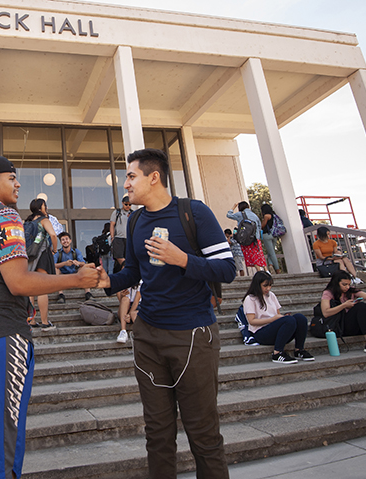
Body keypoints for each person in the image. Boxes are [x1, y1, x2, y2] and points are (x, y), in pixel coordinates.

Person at [0, 155, 99, 479]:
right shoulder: (2, 215)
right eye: (11, 178)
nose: (17, 184)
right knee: (0, 452)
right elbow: (18, 282)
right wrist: (76, 279)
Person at [98, 148, 235, 478]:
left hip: (192, 336)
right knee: (157, 435)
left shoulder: (194, 213)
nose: (125, 184)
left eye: (131, 176)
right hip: (147, 335)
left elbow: (227, 269)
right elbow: (132, 272)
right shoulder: (135, 221)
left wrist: (182, 259)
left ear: (153, 177)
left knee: (203, 435)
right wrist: (107, 281)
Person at [243, 271, 313, 364]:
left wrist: (281, 318)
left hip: (274, 328)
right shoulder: (250, 298)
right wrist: (273, 319)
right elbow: (251, 321)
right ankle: (277, 353)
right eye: (265, 285)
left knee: (300, 318)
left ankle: (299, 350)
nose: (268, 288)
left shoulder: (271, 295)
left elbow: (278, 314)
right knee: (289, 320)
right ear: (257, 284)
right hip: (261, 332)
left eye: (270, 285)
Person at [25, 198, 58, 331]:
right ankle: (45, 322)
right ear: (40, 208)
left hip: (30, 255)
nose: (46, 208)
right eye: (45, 206)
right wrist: (54, 250)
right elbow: (53, 235)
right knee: (43, 288)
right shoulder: (44, 220)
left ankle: (31, 320)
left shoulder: (27, 222)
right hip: (43, 254)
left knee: (32, 289)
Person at [320, 270, 366, 353]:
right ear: (336, 283)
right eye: (344, 284)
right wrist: (344, 305)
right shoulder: (328, 293)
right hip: (340, 326)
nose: (347, 287)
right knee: (360, 306)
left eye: (349, 284)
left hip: (356, 325)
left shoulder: (351, 290)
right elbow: (326, 312)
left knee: (365, 305)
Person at [227, 201, 266, 272]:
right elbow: (259, 226)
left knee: (251, 254)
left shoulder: (240, 214)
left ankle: (259, 271)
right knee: (259, 254)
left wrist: (233, 207)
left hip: (246, 238)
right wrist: (258, 236)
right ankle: (266, 270)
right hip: (256, 238)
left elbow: (228, 215)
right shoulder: (254, 215)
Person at [54, 232, 92, 303]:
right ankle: (61, 295)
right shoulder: (58, 253)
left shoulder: (76, 251)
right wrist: (64, 263)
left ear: (70, 240)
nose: (65, 241)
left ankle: (88, 293)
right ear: (60, 242)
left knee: (84, 268)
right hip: (63, 276)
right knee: (56, 269)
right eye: (63, 240)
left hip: (75, 274)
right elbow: (52, 265)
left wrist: (78, 263)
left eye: (66, 239)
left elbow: (83, 263)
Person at [110, 195, 132, 272]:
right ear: (122, 203)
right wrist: (112, 237)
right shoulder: (117, 212)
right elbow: (112, 225)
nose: (128, 206)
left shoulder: (132, 213)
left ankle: (124, 272)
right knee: (119, 256)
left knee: (128, 257)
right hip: (118, 237)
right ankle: (126, 270)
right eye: (126, 204)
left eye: (130, 204)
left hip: (128, 238)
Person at [259, 204, 282, 274]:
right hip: (274, 235)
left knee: (271, 253)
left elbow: (262, 226)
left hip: (267, 235)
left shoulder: (266, 216)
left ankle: (277, 270)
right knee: (271, 252)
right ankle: (271, 264)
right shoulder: (274, 215)